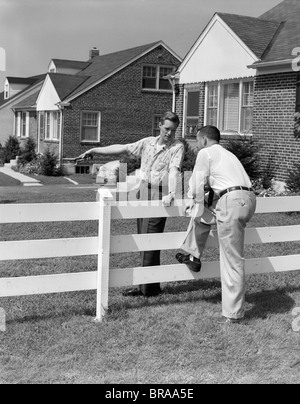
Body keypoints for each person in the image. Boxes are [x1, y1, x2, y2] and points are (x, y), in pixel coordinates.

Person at [76, 111, 185, 297]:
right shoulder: (147, 143)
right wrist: (95, 150)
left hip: (159, 193)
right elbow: (123, 148)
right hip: (142, 190)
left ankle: (148, 288)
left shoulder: (177, 147)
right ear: (160, 126)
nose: (169, 134)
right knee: (143, 236)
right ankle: (148, 285)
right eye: (167, 129)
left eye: (173, 130)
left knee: (151, 238)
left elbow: (174, 171)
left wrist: (173, 192)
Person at [176, 125, 256, 323]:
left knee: (232, 260)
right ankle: (192, 254)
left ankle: (233, 314)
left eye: (197, 140)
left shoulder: (205, 152)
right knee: (202, 212)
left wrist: (189, 198)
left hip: (232, 201)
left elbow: (196, 182)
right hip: (248, 199)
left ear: (203, 139)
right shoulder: (227, 155)